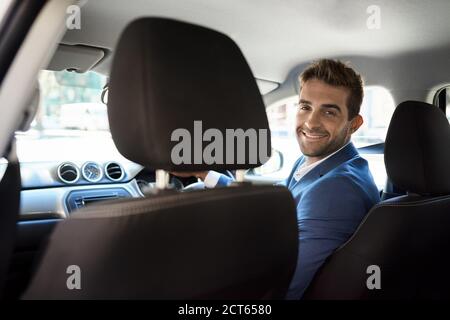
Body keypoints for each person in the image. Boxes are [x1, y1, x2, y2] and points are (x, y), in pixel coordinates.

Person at [172, 59, 380, 299]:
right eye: (305, 107)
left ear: (354, 124)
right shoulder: (325, 165)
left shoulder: (337, 189)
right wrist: (204, 174)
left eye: (329, 111)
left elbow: (283, 287)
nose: (311, 122)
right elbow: (270, 206)